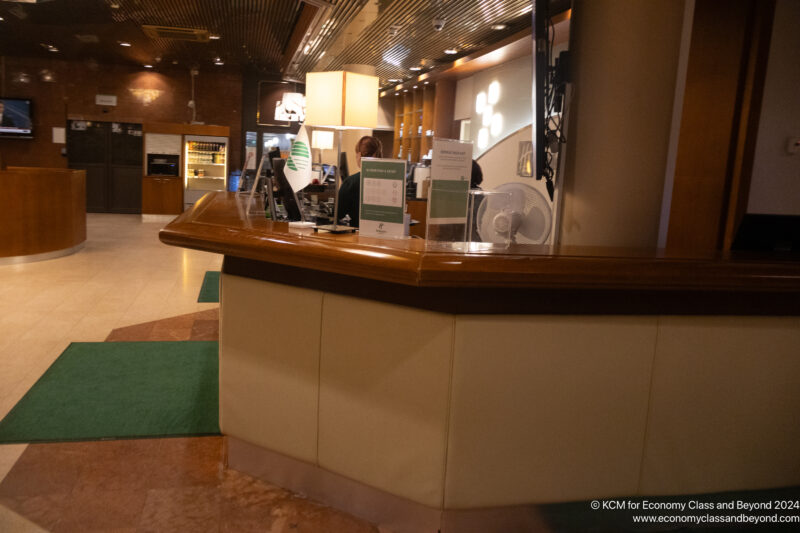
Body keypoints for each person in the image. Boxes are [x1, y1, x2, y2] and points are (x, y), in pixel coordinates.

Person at [337, 135, 382, 228]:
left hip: (358, 234)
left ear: (359, 155)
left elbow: (338, 213)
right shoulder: (391, 179)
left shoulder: (351, 182)